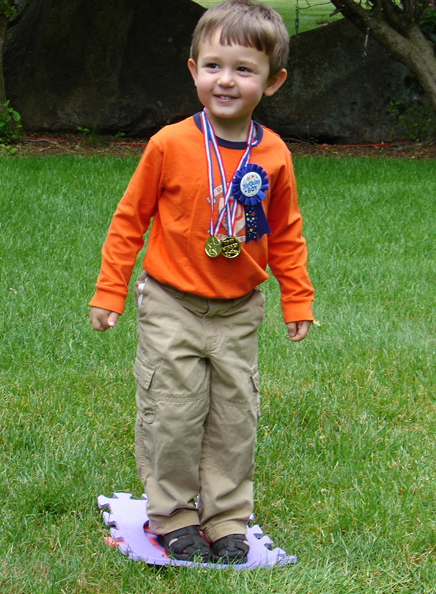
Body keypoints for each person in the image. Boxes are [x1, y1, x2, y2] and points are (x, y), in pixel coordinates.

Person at [89, 0, 313, 564]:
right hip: (172, 305)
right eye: (213, 65)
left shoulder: (274, 155)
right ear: (193, 70)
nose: (226, 80)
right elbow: (129, 220)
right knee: (173, 413)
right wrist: (110, 290)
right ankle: (173, 515)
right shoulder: (169, 144)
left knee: (235, 418)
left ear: (273, 81)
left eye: (244, 69)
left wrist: (297, 298)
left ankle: (227, 518)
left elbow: (286, 232)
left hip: (239, 310)